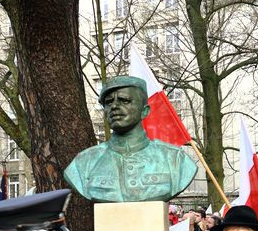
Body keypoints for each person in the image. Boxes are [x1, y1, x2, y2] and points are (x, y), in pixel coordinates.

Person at [65, 75, 197, 202]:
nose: (114, 106)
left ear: (144, 111)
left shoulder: (175, 159)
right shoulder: (84, 162)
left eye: (125, 100)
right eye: (108, 102)